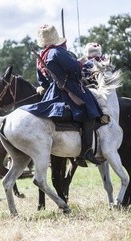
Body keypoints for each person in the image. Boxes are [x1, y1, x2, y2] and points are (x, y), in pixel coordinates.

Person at [23, 24, 105, 167]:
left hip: (52, 92)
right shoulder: (57, 52)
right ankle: (86, 152)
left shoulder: (41, 56)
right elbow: (75, 70)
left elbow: (42, 81)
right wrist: (81, 62)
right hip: (68, 89)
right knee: (90, 109)